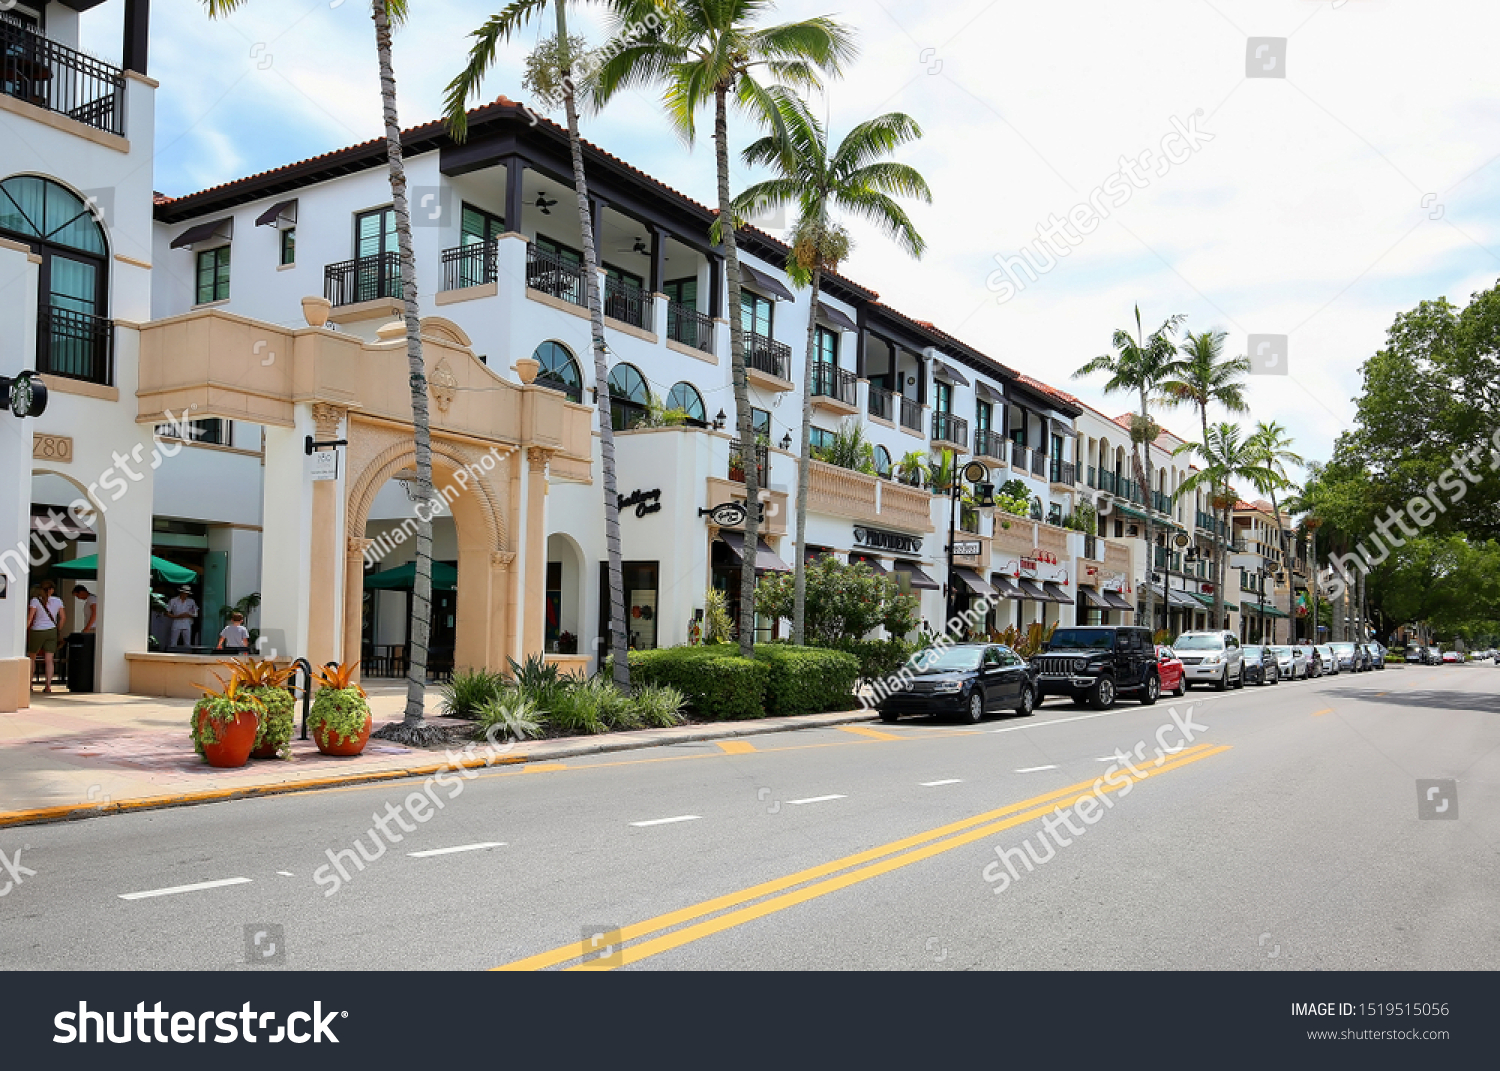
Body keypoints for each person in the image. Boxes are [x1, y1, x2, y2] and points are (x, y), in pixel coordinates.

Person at [27, 581, 65, 693]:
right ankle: (48, 685)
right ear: (52, 590)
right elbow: (63, 618)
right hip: (51, 630)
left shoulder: (35, 600)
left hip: (37, 630)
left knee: (32, 658)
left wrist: (25, 628)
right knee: (49, 659)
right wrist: (57, 629)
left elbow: (30, 618)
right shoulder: (58, 601)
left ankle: (29, 684)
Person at [166, 585, 198, 649]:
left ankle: (187, 655)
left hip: (187, 622)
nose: (186, 595)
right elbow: (167, 612)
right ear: (181, 592)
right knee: (173, 642)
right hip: (176, 622)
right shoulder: (173, 600)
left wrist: (188, 615)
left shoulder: (191, 601)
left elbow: (195, 613)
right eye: (185, 593)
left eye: (187, 593)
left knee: (187, 642)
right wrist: (177, 616)